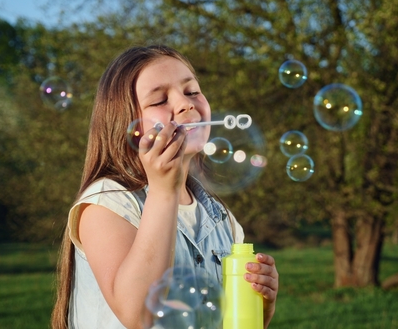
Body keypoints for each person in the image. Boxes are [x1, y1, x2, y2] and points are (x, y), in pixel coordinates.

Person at [51, 45, 279, 329]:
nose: (186, 104)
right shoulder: (106, 204)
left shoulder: (222, 219)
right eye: (159, 100)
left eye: (192, 91)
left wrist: (260, 306)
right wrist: (163, 190)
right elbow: (138, 316)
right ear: (127, 125)